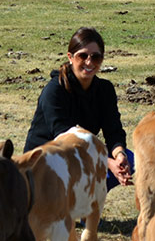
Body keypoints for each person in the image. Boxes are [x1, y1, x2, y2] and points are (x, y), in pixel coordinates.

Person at [24, 27, 133, 189]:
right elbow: (66, 140)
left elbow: (113, 131)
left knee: (130, 159)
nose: (89, 62)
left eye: (96, 57)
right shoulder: (54, 91)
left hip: (81, 155)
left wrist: (119, 156)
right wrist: (107, 162)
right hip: (47, 161)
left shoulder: (105, 90)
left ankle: (87, 199)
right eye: (83, 56)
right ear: (70, 57)